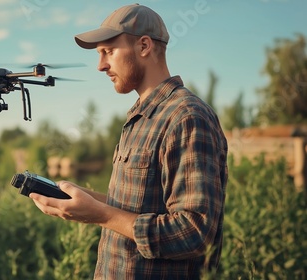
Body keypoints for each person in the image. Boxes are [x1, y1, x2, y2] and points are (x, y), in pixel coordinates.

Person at [29, 3, 228, 279]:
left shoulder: (187, 117)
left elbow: (194, 232)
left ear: (144, 46)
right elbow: (135, 209)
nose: (101, 66)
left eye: (108, 51)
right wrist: (88, 200)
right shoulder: (140, 116)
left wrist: (101, 215)